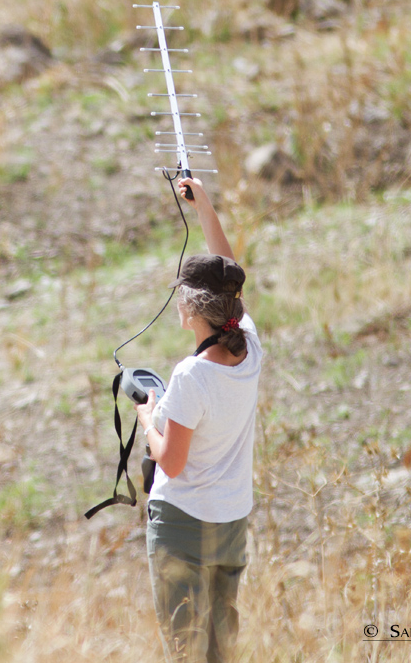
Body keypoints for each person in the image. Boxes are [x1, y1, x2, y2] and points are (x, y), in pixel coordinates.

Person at [134, 176, 262, 662]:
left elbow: (172, 463)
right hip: (231, 523)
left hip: (183, 529)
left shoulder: (190, 376)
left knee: (186, 653)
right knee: (221, 652)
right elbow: (230, 271)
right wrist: (204, 206)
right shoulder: (248, 345)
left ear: (191, 308)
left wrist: (149, 417)